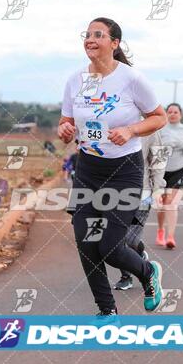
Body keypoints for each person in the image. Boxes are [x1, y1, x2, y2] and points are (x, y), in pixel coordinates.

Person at [57, 17, 167, 316]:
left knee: (109, 246)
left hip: (123, 172)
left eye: (98, 34)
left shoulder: (131, 79)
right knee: (86, 243)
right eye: (87, 34)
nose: (90, 39)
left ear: (114, 43)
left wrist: (131, 130)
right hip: (88, 170)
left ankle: (147, 273)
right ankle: (107, 310)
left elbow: (159, 117)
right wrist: (65, 130)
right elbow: (67, 121)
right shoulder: (75, 80)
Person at [114, 130, 166, 291]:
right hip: (112, 191)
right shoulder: (113, 121)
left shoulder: (152, 129)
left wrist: (158, 188)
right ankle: (126, 276)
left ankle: (138, 252)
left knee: (130, 240)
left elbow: (159, 160)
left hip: (142, 191)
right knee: (116, 239)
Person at [156, 103, 183, 249]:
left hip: (179, 168)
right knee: (161, 204)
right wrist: (165, 145)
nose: (172, 114)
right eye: (170, 112)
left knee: (171, 203)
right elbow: (152, 146)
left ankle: (170, 236)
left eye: (175, 112)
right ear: (166, 113)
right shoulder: (160, 128)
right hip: (161, 169)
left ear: (180, 114)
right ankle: (160, 230)